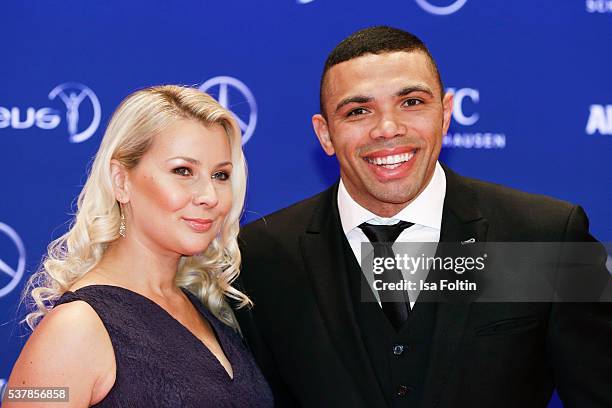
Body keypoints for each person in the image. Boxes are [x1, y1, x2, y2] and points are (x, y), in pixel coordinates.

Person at [235, 26, 612, 407]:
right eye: (358, 111)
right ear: (326, 134)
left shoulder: (544, 237)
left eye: (411, 102)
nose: (388, 129)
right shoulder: (263, 255)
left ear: (446, 115)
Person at [6, 86, 273, 407]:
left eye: (220, 175)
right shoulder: (75, 327)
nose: (210, 196)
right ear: (121, 181)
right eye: (183, 171)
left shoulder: (202, 308)